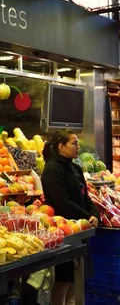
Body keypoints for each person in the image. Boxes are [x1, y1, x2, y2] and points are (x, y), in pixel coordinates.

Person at [41, 129, 99, 305]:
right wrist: (86, 217)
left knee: (77, 280)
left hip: (80, 230)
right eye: (74, 143)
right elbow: (62, 202)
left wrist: (94, 214)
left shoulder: (75, 168)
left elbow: (85, 196)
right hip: (64, 233)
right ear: (61, 146)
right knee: (64, 281)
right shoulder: (51, 170)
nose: (78, 146)